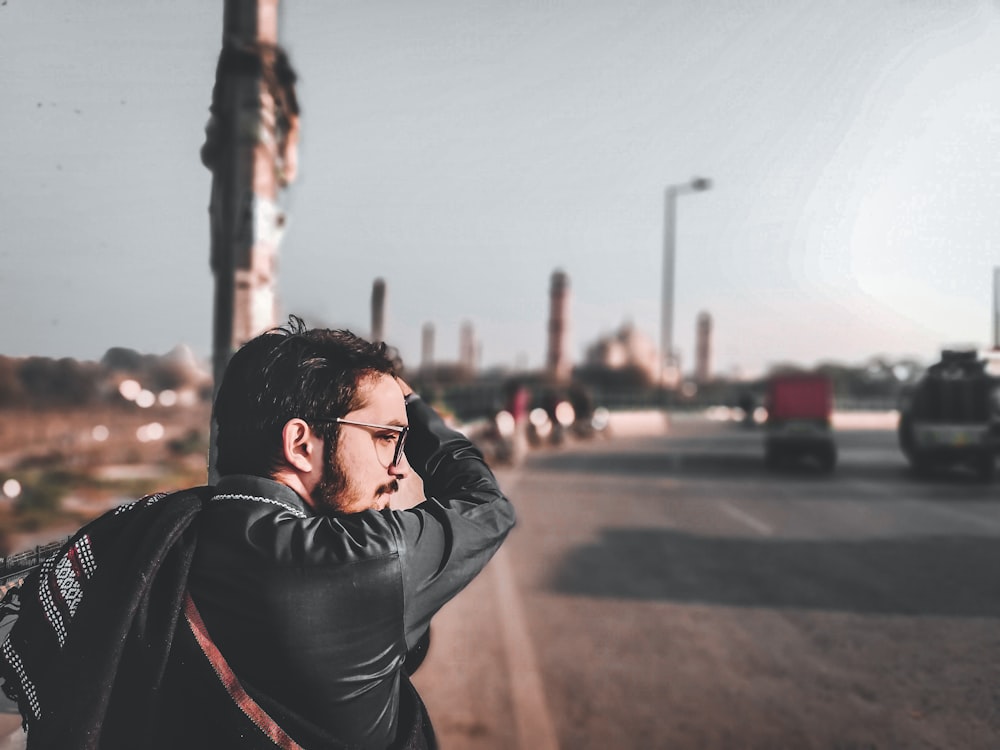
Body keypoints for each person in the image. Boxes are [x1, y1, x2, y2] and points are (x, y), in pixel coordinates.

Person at [0, 317, 516, 749]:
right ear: (301, 443)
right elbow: (486, 507)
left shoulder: (146, 536)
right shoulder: (366, 559)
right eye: (386, 438)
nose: (399, 468)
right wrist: (417, 406)